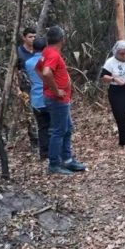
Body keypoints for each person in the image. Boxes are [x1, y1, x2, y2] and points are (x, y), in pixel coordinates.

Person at [36, 26, 87, 175]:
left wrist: (49, 85)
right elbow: (46, 72)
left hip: (60, 98)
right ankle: (54, 164)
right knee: (58, 131)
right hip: (57, 99)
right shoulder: (52, 54)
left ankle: (67, 160)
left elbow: (38, 69)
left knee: (67, 128)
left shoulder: (46, 52)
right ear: (62, 40)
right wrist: (55, 89)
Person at [24, 37, 50, 160]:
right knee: (54, 127)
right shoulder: (48, 61)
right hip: (49, 97)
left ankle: (44, 153)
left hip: (36, 99)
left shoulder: (28, 63)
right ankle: (55, 152)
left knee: (42, 127)